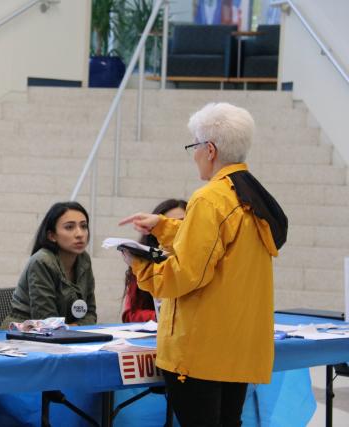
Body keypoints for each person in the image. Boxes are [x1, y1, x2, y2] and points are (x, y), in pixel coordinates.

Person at [119, 102, 288, 427]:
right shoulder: (250, 196)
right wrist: (162, 225)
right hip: (238, 349)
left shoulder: (209, 198)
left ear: (209, 149)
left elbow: (183, 274)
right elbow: (218, 247)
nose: (194, 154)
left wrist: (139, 264)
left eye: (194, 146)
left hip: (200, 353)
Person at [3, 201, 97, 327]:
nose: (80, 234)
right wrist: (75, 328)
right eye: (69, 227)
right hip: (25, 333)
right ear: (52, 235)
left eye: (84, 226)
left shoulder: (83, 259)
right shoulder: (42, 261)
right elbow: (47, 321)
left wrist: (74, 327)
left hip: (68, 334)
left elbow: (90, 314)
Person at [121, 198, 187, 323]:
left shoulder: (199, 261)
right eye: (168, 227)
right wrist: (160, 315)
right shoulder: (143, 262)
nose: (176, 231)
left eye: (181, 224)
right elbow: (130, 314)